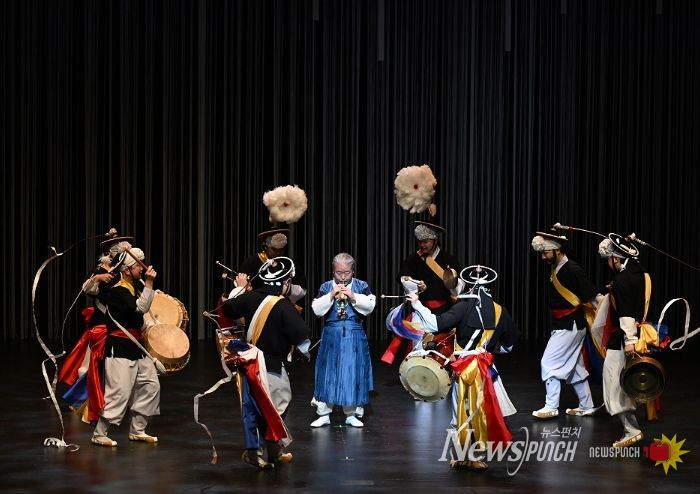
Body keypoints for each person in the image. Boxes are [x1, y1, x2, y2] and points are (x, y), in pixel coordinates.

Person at [407, 266, 518, 470]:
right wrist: (486, 350)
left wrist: (417, 304)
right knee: (480, 411)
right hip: (485, 368)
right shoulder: (500, 310)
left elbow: (435, 324)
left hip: (464, 366)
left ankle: (460, 455)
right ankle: (474, 456)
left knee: (461, 410)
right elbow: (508, 345)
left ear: (469, 286)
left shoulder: (463, 306)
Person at [222, 257, 311, 468]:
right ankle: (259, 451)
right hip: (271, 365)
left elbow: (228, 309)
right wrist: (304, 351)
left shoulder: (249, 298)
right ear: (285, 282)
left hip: (250, 363)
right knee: (276, 406)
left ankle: (269, 451)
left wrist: (240, 288)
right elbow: (301, 333)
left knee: (257, 407)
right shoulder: (283, 305)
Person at [59, 236, 133, 423]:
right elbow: (86, 288)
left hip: (118, 325)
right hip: (101, 325)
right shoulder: (100, 270)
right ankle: (82, 400)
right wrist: (97, 278)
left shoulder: (121, 272)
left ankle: (115, 400)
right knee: (91, 365)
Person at [91, 247, 160, 447]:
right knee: (119, 393)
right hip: (119, 348)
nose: (143, 269)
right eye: (138, 266)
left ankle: (138, 430)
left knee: (150, 386)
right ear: (127, 270)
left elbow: (138, 316)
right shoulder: (118, 291)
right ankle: (99, 433)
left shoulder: (133, 288)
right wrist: (149, 283)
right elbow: (140, 307)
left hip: (137, 348)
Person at [530, 231, 598, 419]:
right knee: (575, 367)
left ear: (557, 250)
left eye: (546, 253)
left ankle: (551, 406)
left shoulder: (572, 269)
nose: (543, 257)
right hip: (565, 324)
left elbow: (591, 296)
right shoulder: (557, 267)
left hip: (570, 324)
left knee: (548, 363)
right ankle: (587, 405)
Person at [310, 253, 376, 428]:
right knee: (328, 374)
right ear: (333, 271)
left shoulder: (361, 285)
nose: (343, 277)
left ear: (352, 271)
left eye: (347, 273)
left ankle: (351, 414)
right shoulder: (326, 286)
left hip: (354, 335)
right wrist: (331, 295)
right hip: (331, 334)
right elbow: (316, 309)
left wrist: (353, 296)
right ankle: (324, 414)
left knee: (351, 373)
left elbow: (370, 306)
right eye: (339, 273)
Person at [597, 234, 649, 448]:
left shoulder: (622, 279)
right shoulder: (640, 273)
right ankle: (631, 427)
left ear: (616, 259)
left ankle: (632, 430)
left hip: (624, 337)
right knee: (623, 380)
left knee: (613, 381)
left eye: (609, 260)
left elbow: (626, 311)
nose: (608, 264)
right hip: (637, 332)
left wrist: (629, 339)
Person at [238, 228, 307, 305]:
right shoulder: (251, 263)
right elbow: (241, 287)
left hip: (283, 306)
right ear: (265, 246)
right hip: (258, 305)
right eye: (274, 249)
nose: (278, 252)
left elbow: (302, 289)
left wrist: (287, 289)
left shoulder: (289, 263)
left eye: (281, 249)